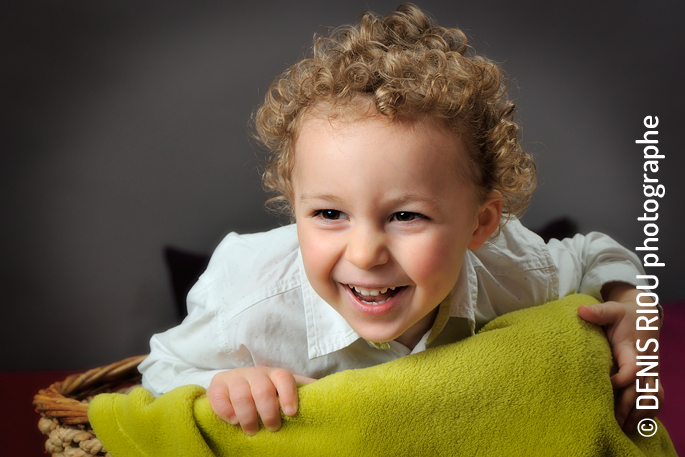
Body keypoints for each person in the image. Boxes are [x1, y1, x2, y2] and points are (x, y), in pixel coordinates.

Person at [139, 3, 662, 437]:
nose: (365, 254)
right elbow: (158, 370)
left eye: (406, 216)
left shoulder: (512, 267)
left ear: (480, 225)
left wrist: (634, 308)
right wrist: (219, 385)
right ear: (294, 206)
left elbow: (596, 254)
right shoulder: (249, 300)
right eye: (328, 213)